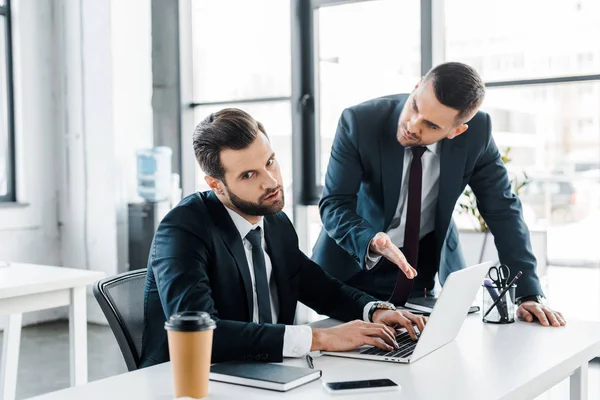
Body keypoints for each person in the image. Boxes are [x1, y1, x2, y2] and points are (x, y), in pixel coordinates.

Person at [139, 108, 427, 368]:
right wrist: (319, 338)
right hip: (192, 380)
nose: (272, 181)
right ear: (217, 185)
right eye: (249, 175)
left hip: (268, 372)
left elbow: (319, 286)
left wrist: (374, 310)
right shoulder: (182, 230)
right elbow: (200, 333)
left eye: (270, 162)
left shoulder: (273, 220)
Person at [312, 62, 565, 328]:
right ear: (417, 85)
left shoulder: (477, 135)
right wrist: (371, 241)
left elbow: (503, 210)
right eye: (414, 106)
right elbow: (334, 204)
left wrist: (528, 292)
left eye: (431, 125)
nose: (412, 125)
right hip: (355, 265)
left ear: (456, 131)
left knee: (417, 355)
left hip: (419, 272)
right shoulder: (360, 122)